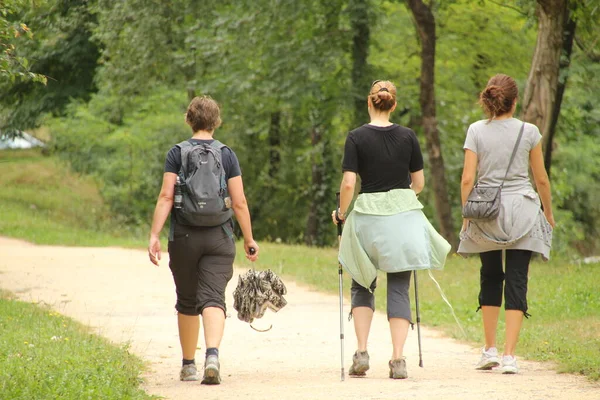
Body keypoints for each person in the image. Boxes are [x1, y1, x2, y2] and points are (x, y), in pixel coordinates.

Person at [332, 80, 451, 379]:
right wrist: (400, 199)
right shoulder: (408, 136)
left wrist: (341, 214)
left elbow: (349, 184)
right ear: (394, 104)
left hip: (367, 219)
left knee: (361, 282)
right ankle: (398, 360)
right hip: (402, 219)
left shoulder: (356, 137)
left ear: (369, 103)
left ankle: (361, 352)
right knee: (399, 286)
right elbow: (419, 184)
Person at [148, 95, 259, 385]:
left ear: (189, 119)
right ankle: (212, 355)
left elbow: (166, 196)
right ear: (216, 121)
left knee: (186, 300)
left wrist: (154, 234)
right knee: (213, 298)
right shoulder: (226, 154)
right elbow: (240, 202)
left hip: (184, 236)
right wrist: (248, 238)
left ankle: (188, 365)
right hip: (219, 236)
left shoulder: (177, 152)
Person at [458, 74, 554, 374]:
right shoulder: (530, 131)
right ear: (515, 101)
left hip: (488, 213)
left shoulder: (476, 131)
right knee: (517, 279)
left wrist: (467, 215)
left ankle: (489, 350)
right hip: (523, 211)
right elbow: (540, 179)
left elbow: (467, 179)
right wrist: (548, 214)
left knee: (490, 276)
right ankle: (511, 356)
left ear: (491, 100)